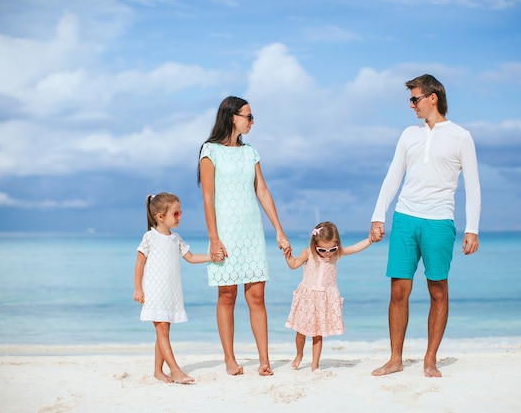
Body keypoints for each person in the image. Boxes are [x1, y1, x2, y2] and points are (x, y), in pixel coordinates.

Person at [369, 74, 481, 378]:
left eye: (415, 98)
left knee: (438, 292)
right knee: (398, 291)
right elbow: (394, 175)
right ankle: (395, 359)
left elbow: (472, 186)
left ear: (433, 97)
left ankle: (429, 359)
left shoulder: (461, 136)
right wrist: (378, 215)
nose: (411, 105)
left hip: (440, 222)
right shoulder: (409, 135)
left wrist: (473, 228)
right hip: (405, 218)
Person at [198, 96, 290, 376]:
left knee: (257, 296)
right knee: (227, 295)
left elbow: (262, 190)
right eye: (248, 116)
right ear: (231, 117)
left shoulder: (250, 152)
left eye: (252, 117)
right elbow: (208, 197)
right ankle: (229, 358)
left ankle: (264, 359)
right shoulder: (209, 151)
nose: (252, 121)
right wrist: (214, 238)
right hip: (224, 231)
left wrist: (279, 229)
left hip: (251, 231)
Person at [133, 192, 212, 384]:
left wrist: (212, 257)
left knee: (164, 330)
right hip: (154, 291)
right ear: (160, 217)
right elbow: (140, 264)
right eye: (175, 214)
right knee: (162, 330)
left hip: (170, 292)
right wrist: (138, 289)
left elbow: (191, 257)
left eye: (180, 212)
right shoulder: (150, 237)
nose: (180, 217)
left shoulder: (175, 238)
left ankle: (158, 371)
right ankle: (175, 370)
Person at [283, 222, 372, 371]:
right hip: (308, 299)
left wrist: (370, 240)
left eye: (332, 248)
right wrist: (288, 255)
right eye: (323, 250)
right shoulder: (309, 253)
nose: (328, 253)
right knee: (301, 331)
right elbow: (293, 265)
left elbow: (355, 248)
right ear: (315, 244)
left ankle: (315, 365)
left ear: (337, 244)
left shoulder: (335, 255)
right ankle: (299, 355)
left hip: (323, 300)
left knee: (318, 334)